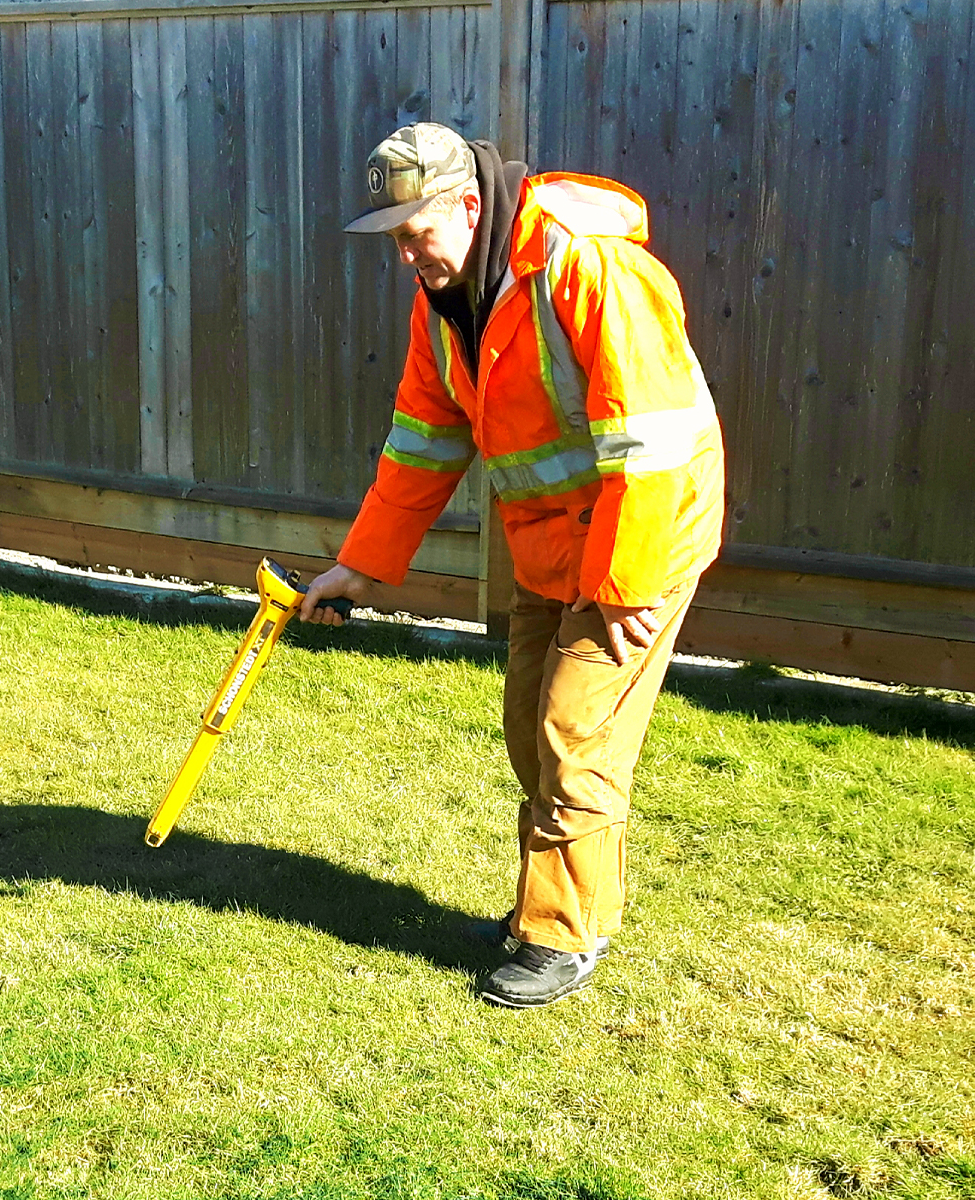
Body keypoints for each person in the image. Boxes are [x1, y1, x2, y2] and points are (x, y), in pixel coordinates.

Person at [298, 123, 726, 1008]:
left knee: (576, 733)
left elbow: (657, 443)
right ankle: (577, 907)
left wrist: (622, 584)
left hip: (641, 535)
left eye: (418, 230)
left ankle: (558, 937)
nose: (408, 253)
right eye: (394, 237)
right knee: (531, 731)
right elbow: (421, 442)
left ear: (468, 203)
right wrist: (361, 568)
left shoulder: (588, 268)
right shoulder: (443, 299)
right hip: (547, 542)